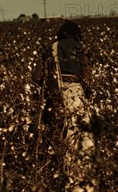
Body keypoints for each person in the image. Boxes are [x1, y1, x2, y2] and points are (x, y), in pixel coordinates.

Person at [32, 20, 94, 157]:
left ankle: (58, 167)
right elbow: (87, 79)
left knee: (57, 136)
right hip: (76, 98)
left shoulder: (50, 49)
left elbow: (36, 78)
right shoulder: (81, 49)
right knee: (81, 136)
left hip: (55, 99)